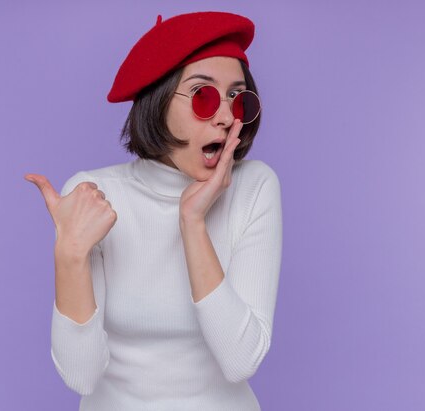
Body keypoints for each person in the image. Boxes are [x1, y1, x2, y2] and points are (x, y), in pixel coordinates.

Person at [25, 11, 282, 411]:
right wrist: (69, 255)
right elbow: (82, 376)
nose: (226, 117)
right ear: (158, 101)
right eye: (204, 96)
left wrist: (193, 222)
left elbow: (240, 361)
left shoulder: (254, 187)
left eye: (238, 98)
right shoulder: (94, 194)